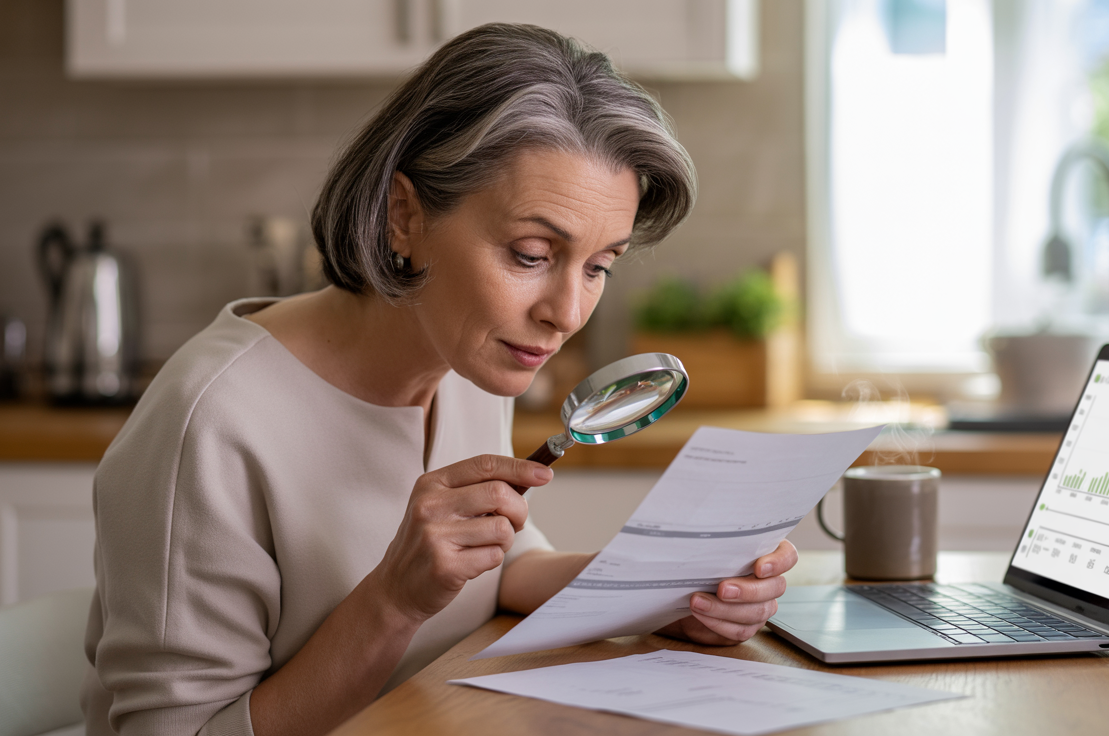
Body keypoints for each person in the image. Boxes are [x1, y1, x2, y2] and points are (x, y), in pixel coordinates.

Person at [81, 23, 798, 736]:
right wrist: (393, 601)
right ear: (405, 217)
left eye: (599, 266)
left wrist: (669, 594)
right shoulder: (209, 422)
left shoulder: (472, 361)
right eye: (529, 254)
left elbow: (499, 562)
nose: (567, 314)